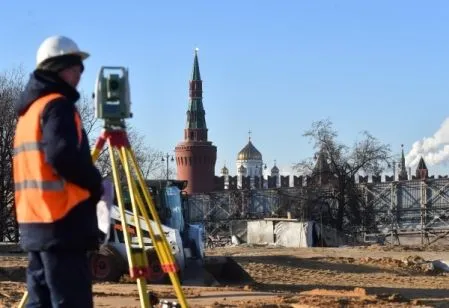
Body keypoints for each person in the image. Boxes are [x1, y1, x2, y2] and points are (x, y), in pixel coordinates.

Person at [13, 35, 104, 307]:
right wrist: (95, 182)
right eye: (76, 67)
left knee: (39, 301)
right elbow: (62, 156)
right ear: (60, 68)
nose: (79, 75)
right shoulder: (57, 106)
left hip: (34, 224)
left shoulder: (29, 112)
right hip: (62, 223)